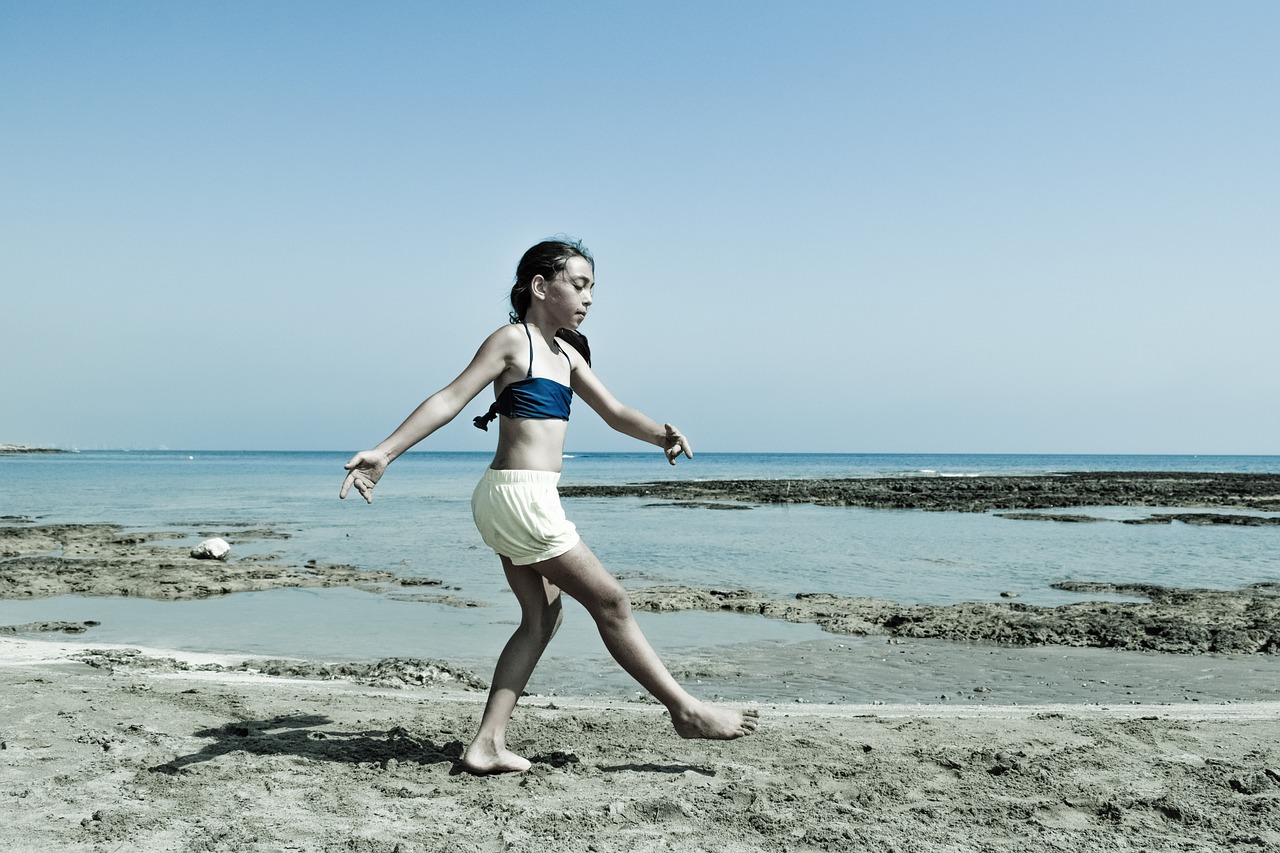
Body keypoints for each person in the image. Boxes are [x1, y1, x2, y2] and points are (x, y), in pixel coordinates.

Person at [340, 238, 759, 774]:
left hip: (513, 498)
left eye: (591, 288)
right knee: (612, 603)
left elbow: (615, 412)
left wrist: (661, 436)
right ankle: (686, 710)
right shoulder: (514, 341)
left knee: (541, 618)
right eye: (579, 285)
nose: (589, 298)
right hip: (521, 498)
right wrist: (385, 453)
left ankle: (486, 745)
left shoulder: (566, 355)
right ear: (541, 287)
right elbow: (450, 398)